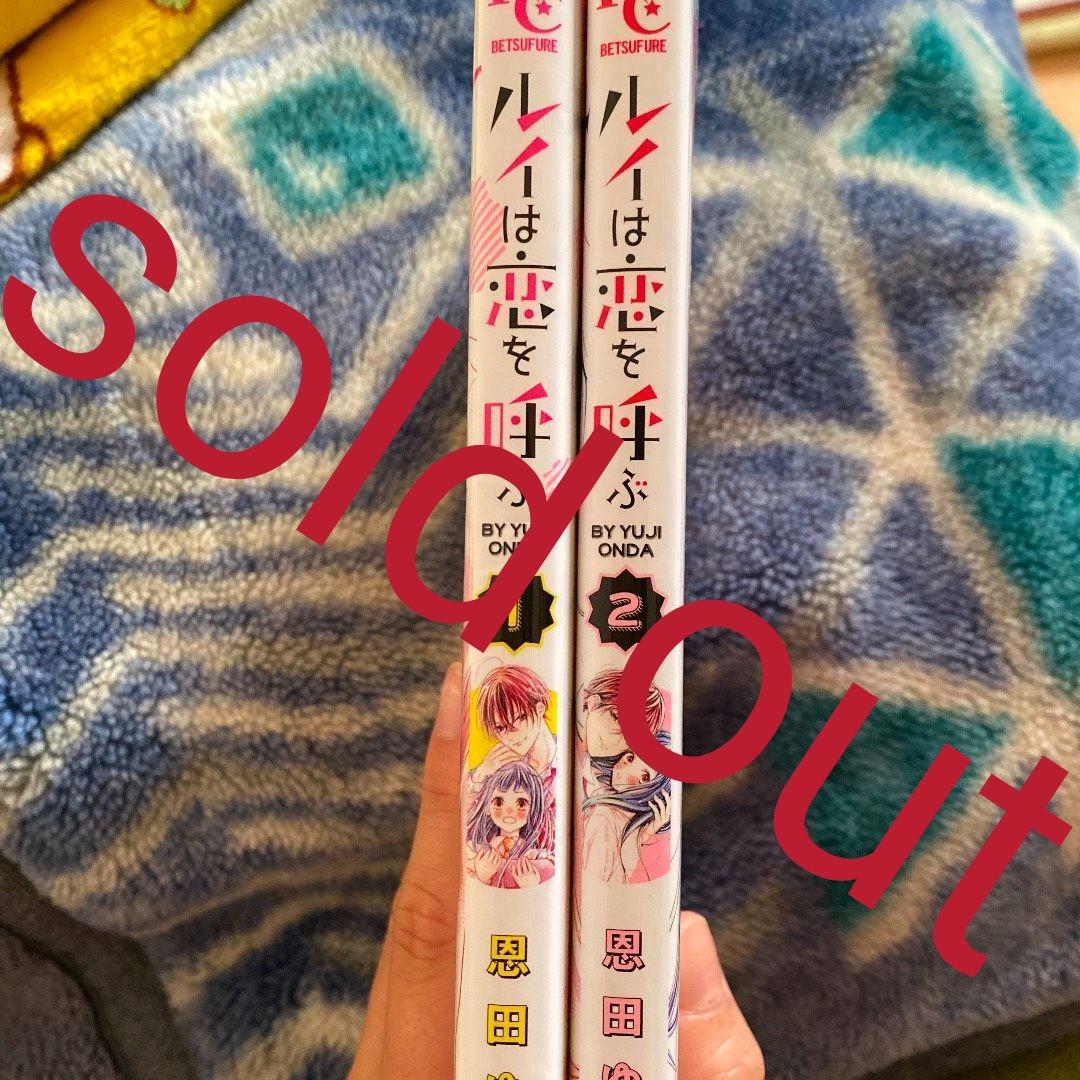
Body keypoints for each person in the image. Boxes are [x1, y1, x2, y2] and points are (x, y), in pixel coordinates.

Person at [350, 664, 765, 1080]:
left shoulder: (608, 803)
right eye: (501, 726)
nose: (510, 735)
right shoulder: (518, 775)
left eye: (518, 720)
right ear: (589, 704)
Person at [582, 732, 673, 882]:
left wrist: (647, 831)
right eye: (630, 758)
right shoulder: (605, 806)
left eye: (645, 777)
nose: (626, 769)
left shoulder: (606, 818)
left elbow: (605, 879)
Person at [463, 758, 555, 888]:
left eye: (521, 803)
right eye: (499, 802)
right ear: (487, 807)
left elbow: (549, 877)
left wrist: (531, 885)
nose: (509, 811)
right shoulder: (477, 851)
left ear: (533, 810)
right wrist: (482, 877)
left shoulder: (536, 856)